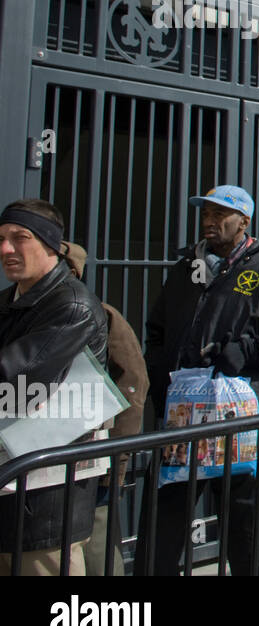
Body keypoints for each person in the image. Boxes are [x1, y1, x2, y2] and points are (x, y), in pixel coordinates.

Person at [143, 185, 259, 575]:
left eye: (221, 214)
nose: (209, 220)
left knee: (250, 525)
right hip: (184, 417)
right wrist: (162, 380)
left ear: (244, 222)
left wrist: (249, 351)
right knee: (164, 522)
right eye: (205, 212)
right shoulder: (187, 267)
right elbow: (156, 330)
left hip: (241, 417)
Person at [0, 200, 109, 576]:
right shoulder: (12, 300)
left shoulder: (73, 305)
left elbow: (15, 375)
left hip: (44, 497)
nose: (6, 249)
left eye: (20, 238)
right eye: (1, 238)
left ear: (49, 243)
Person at [60, 242, 149, 577]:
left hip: (88, 459)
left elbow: (132, 384)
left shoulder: (102, 315)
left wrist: (117, 457)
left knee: (94, 546)